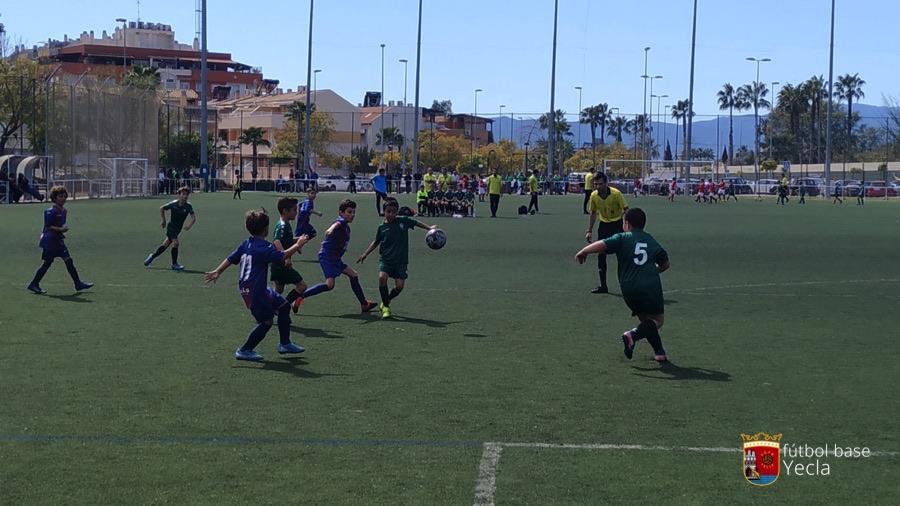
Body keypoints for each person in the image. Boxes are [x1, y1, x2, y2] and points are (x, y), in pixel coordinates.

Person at [204, 208, 308, 361]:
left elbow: (231, 258)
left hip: (256, 288)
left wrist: (218, 271)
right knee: (266, 322)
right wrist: (298, 244)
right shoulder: (264, 248)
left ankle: (285, 344)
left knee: (284, 306)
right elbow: (281, 256)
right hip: (255, 291)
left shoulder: (246, 243)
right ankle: (245, 350)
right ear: (266, 229)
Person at [576, 207, 670, 362]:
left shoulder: (622, 237)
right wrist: (653, 271)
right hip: (649, 286)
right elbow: (665, 264)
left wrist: (584, 251)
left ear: (626, 224)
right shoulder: (650, 240)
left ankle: (659, 352)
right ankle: (631, 335)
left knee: (646, 323)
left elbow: (603, 244)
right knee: (657, 321)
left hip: (628, 289)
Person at [357, 198, 437, 319]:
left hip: (401, 261)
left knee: (399, 286)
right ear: (384, 212)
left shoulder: (403, 221)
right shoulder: (381, 228)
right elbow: (376, 241)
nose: (391, 214)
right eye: (388, 211)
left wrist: (429, 228)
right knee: (382, 277)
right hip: (386, 259)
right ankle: (386, 308)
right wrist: (365, 254)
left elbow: (416, 223)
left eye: (394, 212)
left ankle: (386, 301)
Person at [298, 199, 379, 313]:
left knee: (353, 275)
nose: (352, 215)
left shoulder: (347, 228)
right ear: (341, 213)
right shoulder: (341, 222)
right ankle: (301, 296)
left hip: (335, 258)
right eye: (349, 212)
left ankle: (364, 304)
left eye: (354, 212)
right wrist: (330, 229)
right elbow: (336, 224)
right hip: (327, 256)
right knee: (330, 285)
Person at [27, 185, 94, 295]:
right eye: (60, 196)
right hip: (51, 241)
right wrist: (61, 229)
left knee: (68, 260)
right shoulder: (50, 211)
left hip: (58, 240)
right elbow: (48, 226)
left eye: (64, 196)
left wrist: (61, 231)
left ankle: (78, 283)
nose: (63, 198)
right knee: (47, 263)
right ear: (55, 197)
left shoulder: (64, 211)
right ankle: (34, 284)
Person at [586, 171, 628, 294]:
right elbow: (593, 213)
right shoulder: (594, 196)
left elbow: (626, 209)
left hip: (617, 226)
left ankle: (625, 284)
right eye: (595, 184)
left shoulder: (616, 194)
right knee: (601, 255)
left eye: (600, 184)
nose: (598, 187)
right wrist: (589, 230)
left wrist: (626, 226)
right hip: (604, 226)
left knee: (622, 256)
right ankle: (603, 286)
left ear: (606, 183)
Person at [144, 186, 196, 271]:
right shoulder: (174, 204)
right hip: (171, 226)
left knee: (165, 245)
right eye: (183, 194)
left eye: (186, 194)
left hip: (178, 228)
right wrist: (163, 220)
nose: (185, 196)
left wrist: (189, 226)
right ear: (179, 195)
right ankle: (174, 264)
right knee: (175, 243)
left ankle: (152, 256)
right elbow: (162, 208)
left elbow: (193, 218)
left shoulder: (188, 206)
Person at [271, 197, 309, 314]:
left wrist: (298, 241)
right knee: (302, 286)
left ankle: (266, 307)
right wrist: (286, 258)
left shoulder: (285, 224)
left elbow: (284, 240)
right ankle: (282, 308)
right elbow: (277, 241)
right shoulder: (282, 225)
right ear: (285, 211)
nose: (296, 212)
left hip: (276, 263)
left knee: (279, 289)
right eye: (293, 210)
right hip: (281, 264)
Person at [293, 186, 323, 256]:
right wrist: (317, 213)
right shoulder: (309, 201)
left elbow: (299, 205)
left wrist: (299, 212)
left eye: (315, 193)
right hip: (302, 222)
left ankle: (300, 245)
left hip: (305, 221)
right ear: (308, 194)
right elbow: (308, 209)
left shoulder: (307, 200)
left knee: (313, 233)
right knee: (295, 238)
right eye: (312, 193)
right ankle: (285, 249)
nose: (314, 195)